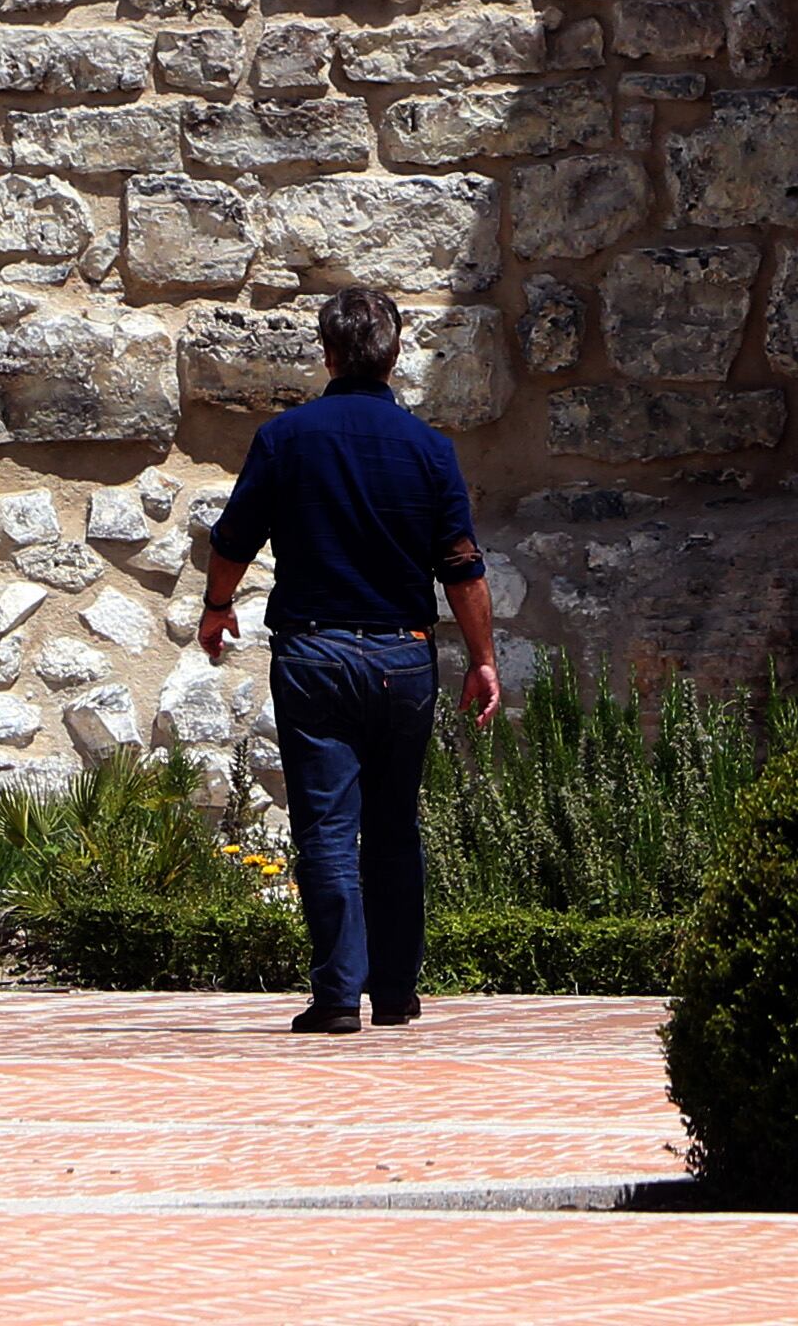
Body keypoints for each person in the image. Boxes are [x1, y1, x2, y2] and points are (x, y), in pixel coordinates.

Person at [200, 287, 500, 1036]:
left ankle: (337, 996)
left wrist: (217, 606)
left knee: (328, 827)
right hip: (404, 654)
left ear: (327, 354)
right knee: (396, 825)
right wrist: (484, 659)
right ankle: (396, 993)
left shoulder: (286, 438)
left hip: (315, 652)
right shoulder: (430, 450)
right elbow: (461, 566)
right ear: (394, 357)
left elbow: (235, 538)